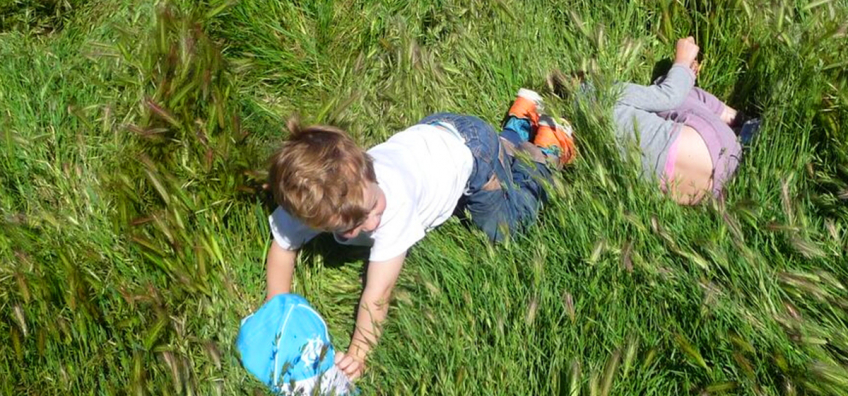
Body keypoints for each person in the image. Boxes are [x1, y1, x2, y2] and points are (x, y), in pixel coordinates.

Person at [264, 91, 576, 380]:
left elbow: (379, 292)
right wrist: (278, 314)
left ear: (370, 170)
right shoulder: (321, 197)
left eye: (372, 208)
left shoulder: (394, 204)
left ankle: (548, 151)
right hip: (438, 131)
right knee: (498, 156)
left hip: (473, 155)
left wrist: (359, 352)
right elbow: (282, 246)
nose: (371, 224)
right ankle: (520, 122)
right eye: (350, 228)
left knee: (506, 227)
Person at [607, 36, 759, 204]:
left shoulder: (581, 153)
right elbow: (668, 97)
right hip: (720, 146)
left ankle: (683, 79)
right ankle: (743, 124)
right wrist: (682, 60)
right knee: (671, 93)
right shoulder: (594, 90)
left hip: (710, 194)